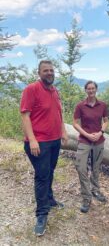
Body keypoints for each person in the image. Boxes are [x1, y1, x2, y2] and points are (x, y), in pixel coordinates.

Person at [20, 60, 68, 236]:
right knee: (42, 176)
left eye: (51, 70)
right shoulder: (31, 89)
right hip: (38, 142)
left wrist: (62, 131)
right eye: (46, 70)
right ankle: (41, 215)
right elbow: (25, 115)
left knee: (50, 171)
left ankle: (49, 199)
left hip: (54, 141)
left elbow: (59, 113)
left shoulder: (55, 91)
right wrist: (32, 140)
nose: (49, 73)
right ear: (39, 73)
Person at [73, 80, 109, 213]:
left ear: (96, 89)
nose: (91, 90)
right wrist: (87, 135)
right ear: (85, 90)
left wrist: (100, 132)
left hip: (99, 141)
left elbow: (106, 121)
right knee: (81, 167)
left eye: (93, 88)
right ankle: (86, 197)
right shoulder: (80, 106)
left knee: (96, 167)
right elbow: (75, 123)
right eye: (88, 88)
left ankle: (95, 190)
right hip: (84, 140)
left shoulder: (103, 105)